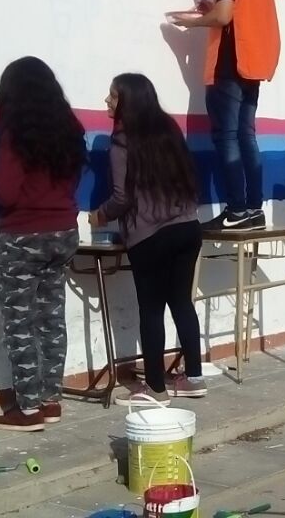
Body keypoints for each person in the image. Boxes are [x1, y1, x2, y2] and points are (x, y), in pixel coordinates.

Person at [0, 57, 85, 431]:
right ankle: (51, 400)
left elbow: (5, 191)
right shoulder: (70, 129)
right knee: (52, 318)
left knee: (20, 322)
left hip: (24, 236)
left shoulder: (16, 133)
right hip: (64, 232)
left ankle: (26, 410)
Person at [90, 74, 207, 404]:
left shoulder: (122, 142)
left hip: (150, 236)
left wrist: (99, 215)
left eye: (113, 97)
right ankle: (193, 378)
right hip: (187, 228)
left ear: (127, 101)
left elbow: (121, 197)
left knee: (152, 309)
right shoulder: (169, 130)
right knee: (182, 302)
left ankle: (156, 389)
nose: (107, 102)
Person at [171, 0, 281, 232]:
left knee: (227, 136)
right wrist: (213, 9)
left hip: (230, 64)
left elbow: (223, 16)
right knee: (247, 135)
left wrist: (190, 24)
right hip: (254, 64)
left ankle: (235, 209)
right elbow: (237, 11)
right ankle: (253, 209)